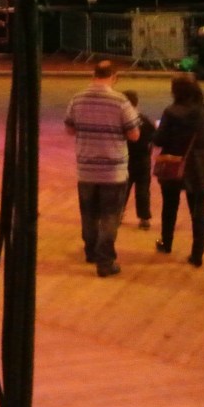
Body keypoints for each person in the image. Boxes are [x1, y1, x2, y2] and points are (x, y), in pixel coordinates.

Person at [64, 61, 141, 278]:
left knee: (88, 213)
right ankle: (105, 261)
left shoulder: (77, 99)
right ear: (114, 76)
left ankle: (90, 251)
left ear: (93, 74)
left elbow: (69, 129)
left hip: (86, 169)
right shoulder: (120, 101)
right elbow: (134, 135)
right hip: (113, 170)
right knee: (109, 216)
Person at [153, 74, 204, 269]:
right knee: (198, 211)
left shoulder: (171, 112)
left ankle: (166, 243)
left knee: (169, 206)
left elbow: (159, 140)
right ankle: (197, 254)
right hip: (199, 165)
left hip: (173, 163)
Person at [122, 89, 156, 231]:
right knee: (143, 189)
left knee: (123, 189)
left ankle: (118, 214)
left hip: (126, 159)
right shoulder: (145, 120)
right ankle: (144, 218)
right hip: (143, 159)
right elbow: (153, 138)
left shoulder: (122, 120)